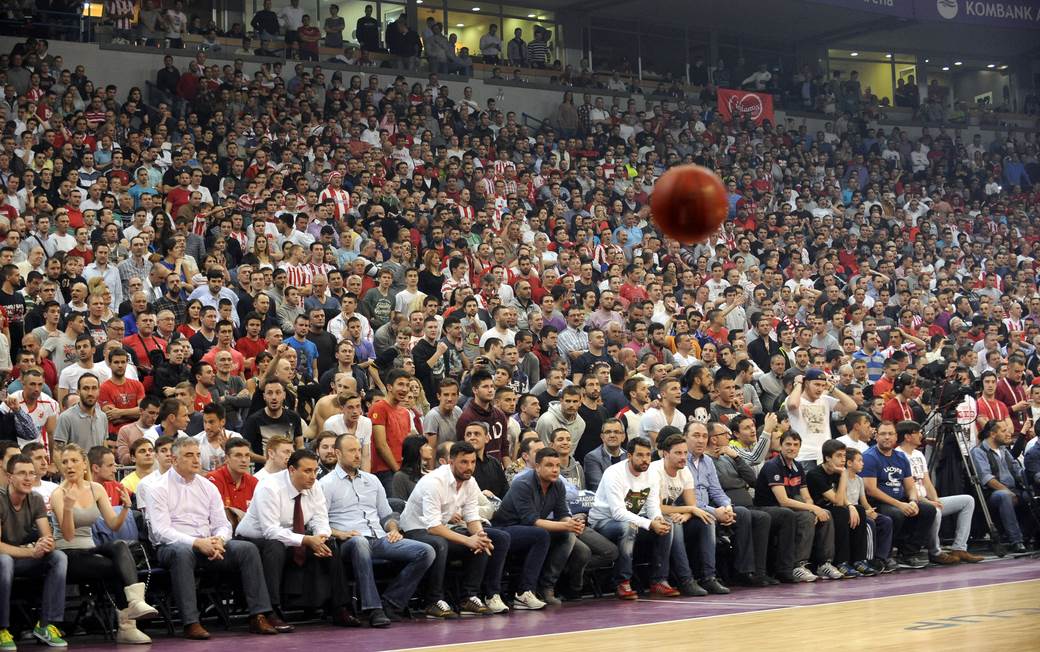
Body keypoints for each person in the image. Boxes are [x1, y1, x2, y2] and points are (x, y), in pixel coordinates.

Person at [146, 437, 282, 639]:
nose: (196, 460)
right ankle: (191, 622)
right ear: (174, 459)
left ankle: (258, 615)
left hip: (209, 544)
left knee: (247, 549)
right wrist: (197, 543)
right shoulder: (157, 488)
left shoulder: (207, 486)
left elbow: (223, 524)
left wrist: (219, 540)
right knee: (182, 553)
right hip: (174, 547)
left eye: (198, 455)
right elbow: (161, 531)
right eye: (189, 455)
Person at [320, 433, 436, 626]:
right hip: (347, 541)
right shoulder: (326, 484)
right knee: (360, 542)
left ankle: (391, 602)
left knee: (426, 551)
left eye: (359, 450)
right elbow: (319, 521)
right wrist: (340, 533)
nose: (358, 455)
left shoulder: (372, 481)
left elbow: (387, 515)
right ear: (338, 453)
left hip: (379, 538)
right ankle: (373, 609)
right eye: (352, 451)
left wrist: (393, 529)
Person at [50, 444, 158, 644]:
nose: (69, 466)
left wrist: (126, 507)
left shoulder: (96, 488)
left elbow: (113, 524)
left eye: (74, 461)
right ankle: (127, 626)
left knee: (118, 545)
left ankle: (136, 602)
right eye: (65, 462)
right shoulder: (58, 493)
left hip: (89, 549)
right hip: (67, 554)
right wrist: (67, 508)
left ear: (85, 465)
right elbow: (68, 535)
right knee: (116, 567)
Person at [399, 441, 512, 617]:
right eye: (464, 462)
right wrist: (468, 540)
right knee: (440, 543)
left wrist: (479, 536)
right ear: (451, 462)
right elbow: (433, 527)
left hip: (440, 528)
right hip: (415, 530)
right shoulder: (434, 482)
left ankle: (469, 597)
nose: (469, 467)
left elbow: (472, 518)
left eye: (473, 462)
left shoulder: (470, 482)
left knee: (484, 539)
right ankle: (433, 601)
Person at [236, 449, 333, 631]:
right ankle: (271, 610)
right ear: (291, 470)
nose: (313, 476)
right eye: (307, 471)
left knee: (330, 544)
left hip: (289, 536)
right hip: (253, 539)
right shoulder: (269, 486)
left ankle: (337, 606)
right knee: (276, 546)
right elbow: (270, 531)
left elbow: (321, 518)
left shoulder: (315, 486)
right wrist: (306, 539)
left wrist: (321, 537)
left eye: (315, 471)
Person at [588, 437, 673, 600]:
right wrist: (649, 523)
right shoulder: (614, 473)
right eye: (640, 455)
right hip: (603, 522)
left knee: (666, 525)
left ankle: (659, 580)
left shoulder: (652, 474)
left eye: (648, 455)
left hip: (633, 518)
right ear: (629, 456)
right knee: (629, 527)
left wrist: (657, 519)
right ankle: (623, 581)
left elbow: (652, 505)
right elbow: (618, 513)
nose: (645, 460)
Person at [0, 454, 68, 648]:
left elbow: (48, 538)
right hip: (4, 559)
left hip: (20, 558)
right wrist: (32, 552)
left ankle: (46, 625)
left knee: (58, 557)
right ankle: (1, 629)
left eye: (31, 473)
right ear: (9, 476)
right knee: (4, 560)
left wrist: (44, 545)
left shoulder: (36, 499)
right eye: (22, 473)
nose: (28, 478)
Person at [896, 420, 982, 563]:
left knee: (968, 500)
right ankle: (935, 552)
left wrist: (935, 499)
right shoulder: (898, 455)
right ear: (907, 437)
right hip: (913, 501)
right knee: (933, 510)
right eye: (917, 432)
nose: (921, 435)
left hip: (927, 499)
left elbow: (927, 481)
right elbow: (907, 488)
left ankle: (959, 547)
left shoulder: (918, 454)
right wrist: (929, 502)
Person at [862, 420, 938, 566]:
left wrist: (913, 502)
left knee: (928, 510)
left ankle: (909, 553)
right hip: (878, 502)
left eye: (890, 434)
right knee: (896, 513)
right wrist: (900, 505)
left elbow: (910, 486)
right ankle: (886, 553)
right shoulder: (870, 457)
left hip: (900, 499)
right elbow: (870, 489)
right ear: (876, 436)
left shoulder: (901, 457)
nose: (887, 437)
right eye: (883, 434)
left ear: (896, 437)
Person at [804, 439, 868, 578]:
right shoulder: (815, 474)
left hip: (834, 507)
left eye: (844, 456)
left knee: (859, 510)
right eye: (839, 456)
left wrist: (851, 506)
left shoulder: (837, 471)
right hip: (819, 509)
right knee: (841, 512)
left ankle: (858, 560)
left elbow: (843, 498)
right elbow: (838, 501)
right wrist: (844, 475)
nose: (843, 460)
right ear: (827, 457)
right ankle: (841, 562)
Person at [971, 419, 1032, 554]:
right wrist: (1008, 491)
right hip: (992, 493)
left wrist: (1031, 483)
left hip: (1013, 489)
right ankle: (1016, 540)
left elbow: (1018, 471)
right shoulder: (979, 451)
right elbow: (987, 479)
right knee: (1005, 496)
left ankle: (1032, 535)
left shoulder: (1004, 449)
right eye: (1003, 431)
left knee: (1032, 494)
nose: (1009, 433)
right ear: (993, 434)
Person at [786, 368, 856, 469]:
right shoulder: (794, 398)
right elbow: (792, 405)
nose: (820, 389)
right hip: (804, 456)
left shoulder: (825, 400)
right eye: (816, 385)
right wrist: (798, 383)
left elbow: (852, 406)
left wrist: (831, 388)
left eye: (823, 385)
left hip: (825, 455)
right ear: (806, 384)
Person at [370, 369, 413, 493]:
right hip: (385, 471)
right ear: (389, 387)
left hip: (402, 469)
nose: (404, 389)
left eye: (407, 385)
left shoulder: (405, 412)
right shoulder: (379, 408)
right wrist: (397, 470)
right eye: (400, 384)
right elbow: (381, 445)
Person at [52, 373, 108, 460]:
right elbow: (57, 452)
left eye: (94, 388)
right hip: (76, 471)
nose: (90, 393)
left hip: (98, 471)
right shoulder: (66, 417)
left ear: (99, 390)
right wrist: (66, 472)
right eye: (86, 388)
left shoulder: (103, 417)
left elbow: (104, 445)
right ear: (78, 391)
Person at [583, 417, 627, 492]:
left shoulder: (628, 457)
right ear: (602, 437)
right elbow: (599, 487)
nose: (612, 435)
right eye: (608, 432)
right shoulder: (592, 457)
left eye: (616, 432)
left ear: (623, 437)